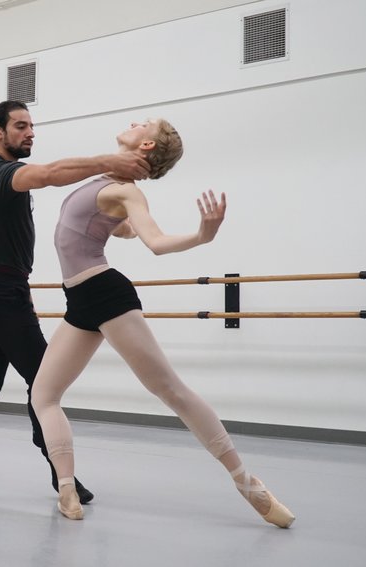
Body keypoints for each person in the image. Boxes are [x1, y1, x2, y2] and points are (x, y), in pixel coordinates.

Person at [30, 118, 295, 528]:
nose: (134, 122)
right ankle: (67, 491)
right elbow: (116, 229)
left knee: (170, 390)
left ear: (147, 143)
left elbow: (154, 241)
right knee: (43, 394)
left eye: (143, 123)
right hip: (80, 298)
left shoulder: (125, 190)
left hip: (105, 293)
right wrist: (118, 227)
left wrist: (200, 236)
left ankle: (248, 482)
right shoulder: (107, 181)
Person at [0, 101, 152, 501]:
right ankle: (60, 475)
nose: (30, 132)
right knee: (43, 380)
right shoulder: (1, 174)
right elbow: (50, 174)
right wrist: (109, 162)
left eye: (32, 125)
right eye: (20, 126)